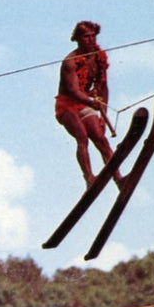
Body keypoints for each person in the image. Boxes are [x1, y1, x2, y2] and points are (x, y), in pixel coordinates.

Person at [55, 21, 123, 189]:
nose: (91, 40)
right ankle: (89, 178)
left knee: (101, 138)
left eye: (93, 36)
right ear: (78, 39)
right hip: (67, 106)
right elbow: (72, 91)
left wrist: (103, 114)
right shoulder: (70, 62)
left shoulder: (99, 57)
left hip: (85, 102)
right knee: (82, 137)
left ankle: (119, 179)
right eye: (86, 37)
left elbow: (103, 86)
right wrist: (92, 103)